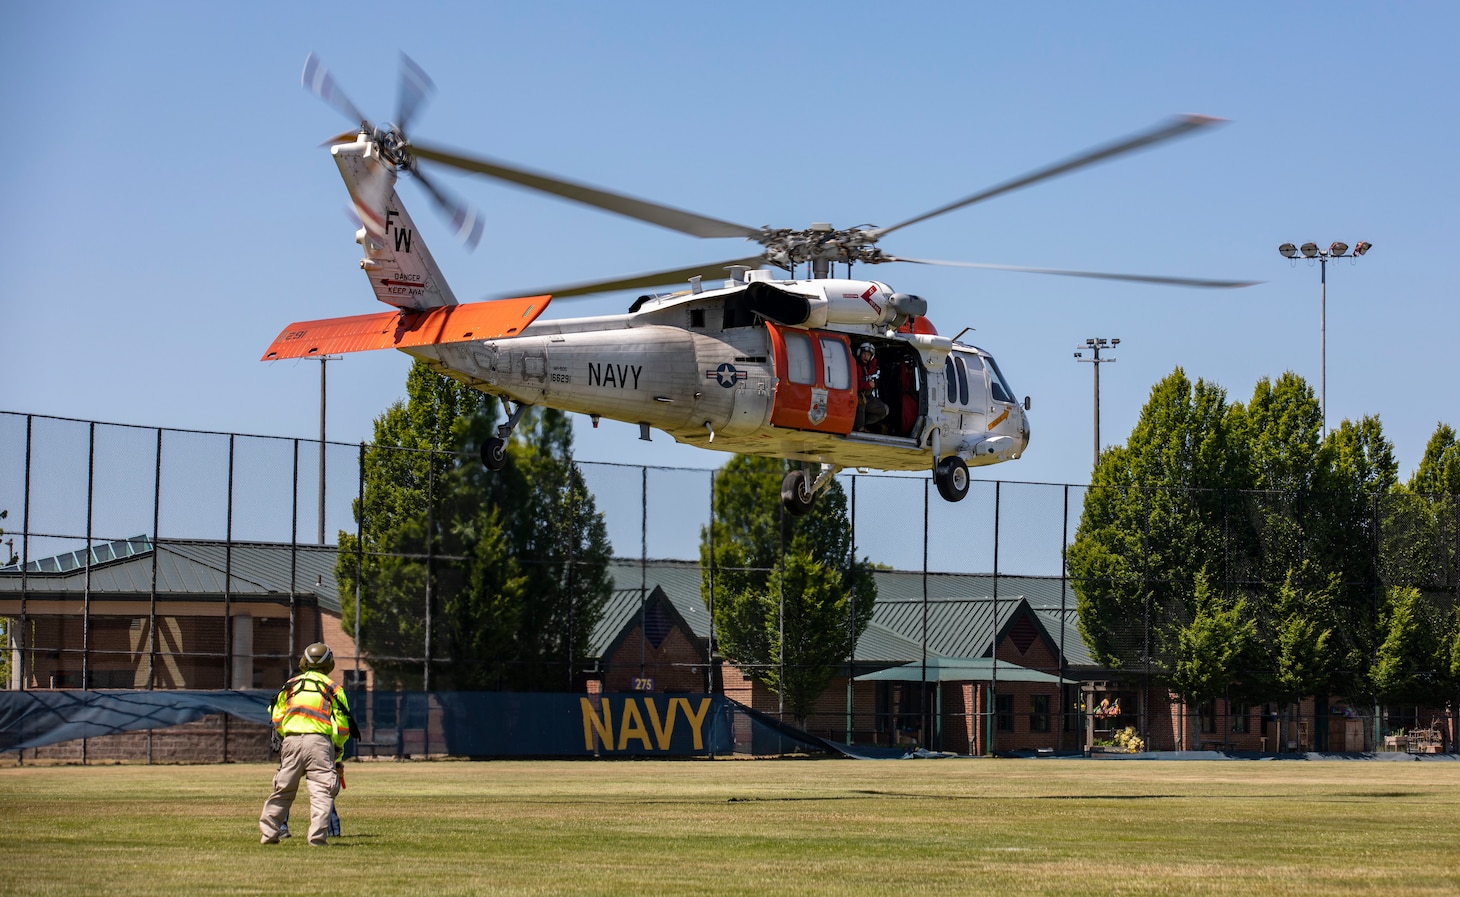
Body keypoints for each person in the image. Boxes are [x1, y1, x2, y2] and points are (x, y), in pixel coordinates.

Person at [259, 642, 353, 846]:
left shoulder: (290, 685)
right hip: (320, 743)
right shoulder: (334, 689)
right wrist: (336, 750)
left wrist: (287, 736)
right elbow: (343, 726)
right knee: (322, 791)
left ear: (304, 662)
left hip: (291, 741)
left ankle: (269, 834)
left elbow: (275, 716)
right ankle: (317, 838)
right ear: (330, 664)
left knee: (283, 790)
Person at [854, 343, 888, 431]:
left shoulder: (869, 367)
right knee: (861, 403)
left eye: (868, 355)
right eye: (864, 354)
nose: (866, 357)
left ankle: (864, 424)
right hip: (858, 397)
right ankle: (859, 428)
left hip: (868, 398)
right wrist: (868, 385)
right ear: (859, 354)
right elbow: (855, 384)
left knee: (884, 410)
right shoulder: (856, 367)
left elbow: (873, 366)